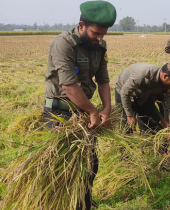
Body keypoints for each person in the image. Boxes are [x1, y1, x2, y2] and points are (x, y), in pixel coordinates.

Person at [43, 1, 116, 209]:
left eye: (104, 34)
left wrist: (106, 109)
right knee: (64, 165)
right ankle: (62, 203)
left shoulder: (100, 46)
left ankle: (85, 202)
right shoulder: (63, 44)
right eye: (96, 33)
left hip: (83, 111)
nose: (100, 38)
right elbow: (68, 85)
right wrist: (93, 110)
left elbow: (103, 80)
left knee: (90, 163)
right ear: (81, 25)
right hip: (59, 111)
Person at [115, 59, 170, 139]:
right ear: (165, 76)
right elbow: (125, 92)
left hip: (144, 94)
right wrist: (130, 115)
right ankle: (124, 148)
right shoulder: (142, 74)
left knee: (148, 125)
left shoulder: (169, 84)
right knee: (127, 127)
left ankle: (146, 145)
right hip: (123, 90)